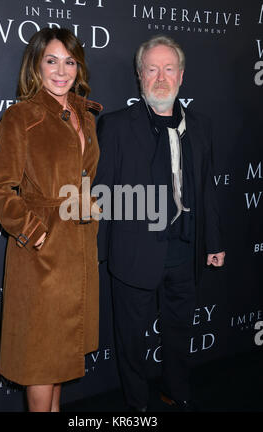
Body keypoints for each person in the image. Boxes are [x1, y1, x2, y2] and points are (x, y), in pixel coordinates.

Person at [93, 35, 225, 412]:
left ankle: (176, 390)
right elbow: (101, 195)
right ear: (140, 76)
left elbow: (207, 189)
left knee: (179, 333)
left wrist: (213, 241)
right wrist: (96, 252)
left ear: (181, 76)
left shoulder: (200, 126)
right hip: (133, 256)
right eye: (152, 69)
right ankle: (137, 407)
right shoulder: (115, 126)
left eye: (169, 69)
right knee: (130, 342)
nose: (161, 77)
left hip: (185, 253)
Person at [0, 27, 102, 412]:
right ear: (36, 66)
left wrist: (90, 204)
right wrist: (33, 231)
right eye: (51, 60)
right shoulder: (22, 117)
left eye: (69, 61)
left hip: (78, 252)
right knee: (40, 361)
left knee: (58, 358)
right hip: (41, 259)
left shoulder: (85, 116)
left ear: (78, 67)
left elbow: (83, 175)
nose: (61, 70)